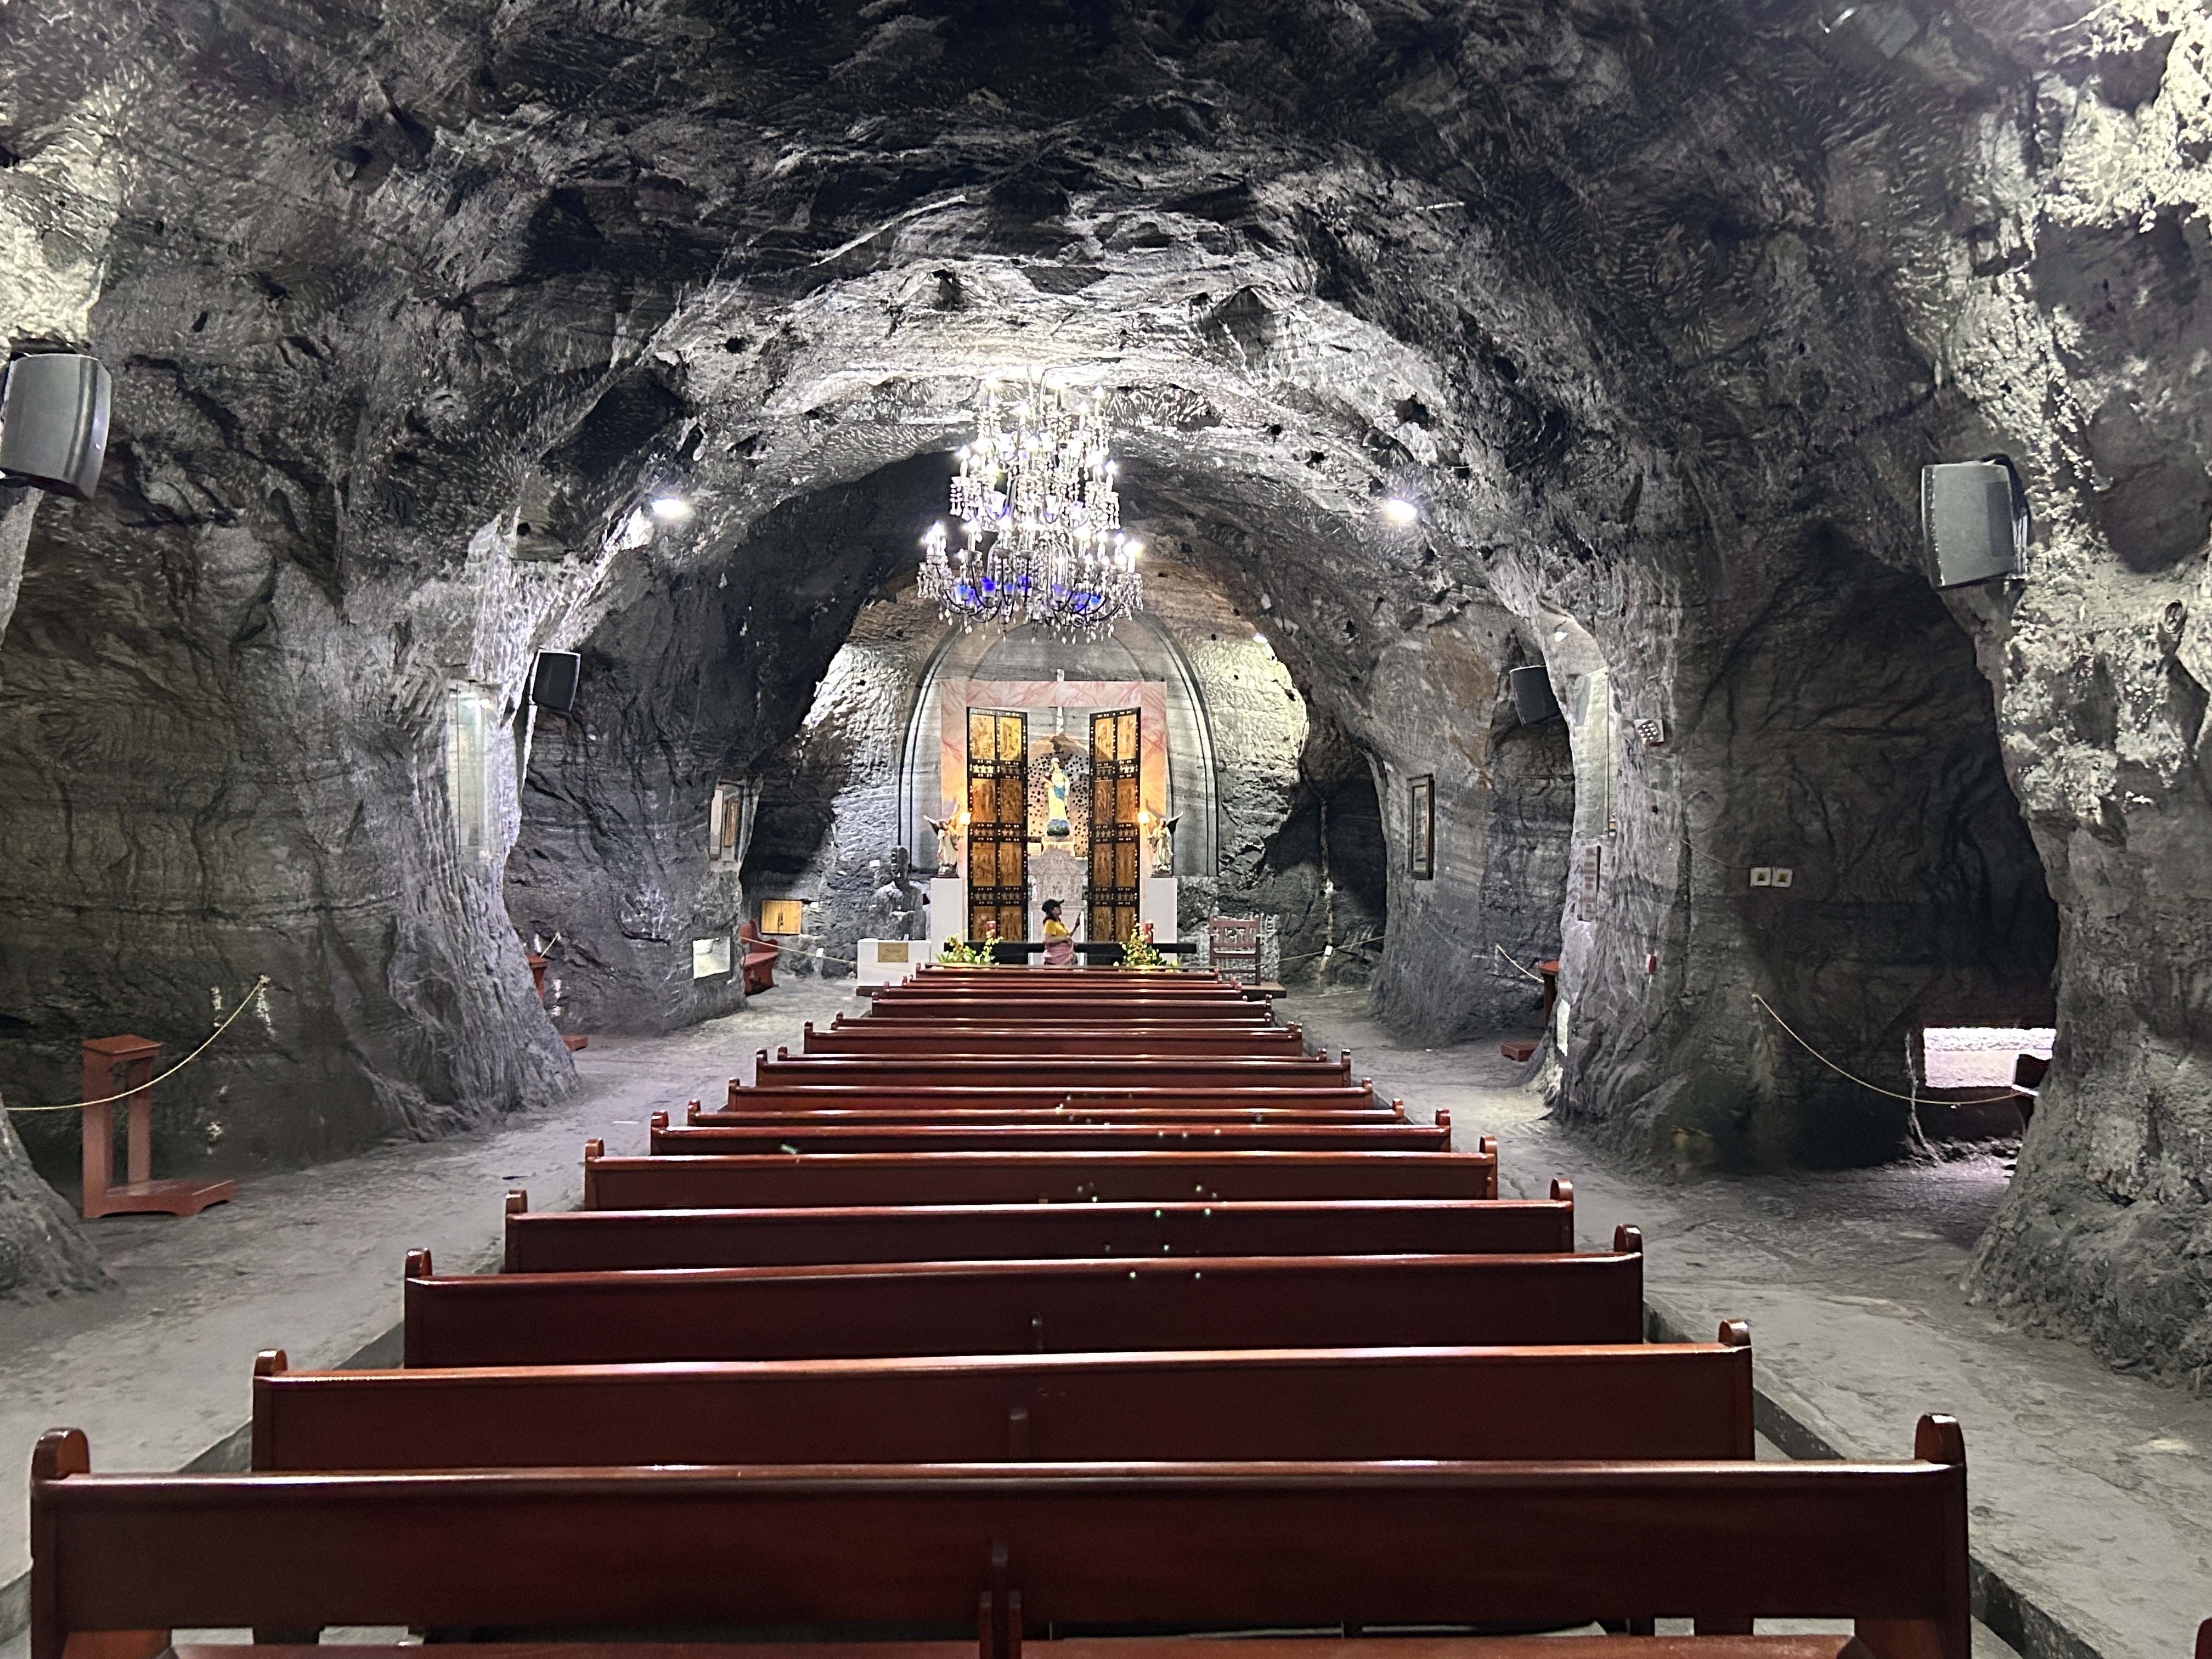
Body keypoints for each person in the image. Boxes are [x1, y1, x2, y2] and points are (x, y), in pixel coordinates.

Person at [1040, 898, 1075, 966]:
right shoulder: (1050, 923)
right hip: (1057, 958)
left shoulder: (1058, 922)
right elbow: (1048, 940)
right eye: (1058, 907)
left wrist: (1075, 928)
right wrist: (1064, 938)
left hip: (1065, 955)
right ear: (1051, 910)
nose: (1060, 908)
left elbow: (1067, 936)